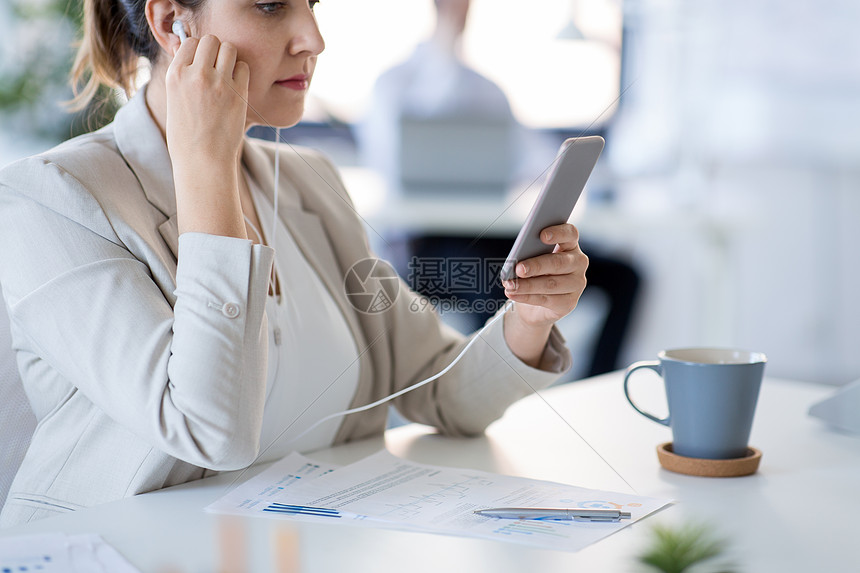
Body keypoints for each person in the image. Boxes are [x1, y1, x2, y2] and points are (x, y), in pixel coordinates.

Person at [0, 0, 588, 527]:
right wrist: (206, 167)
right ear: (172, 25)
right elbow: (212, 430)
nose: (313, 37)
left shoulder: (310, 182)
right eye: (270, 6)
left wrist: (529, 318)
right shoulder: (54, 197)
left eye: (312, 5)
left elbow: (444, 391)